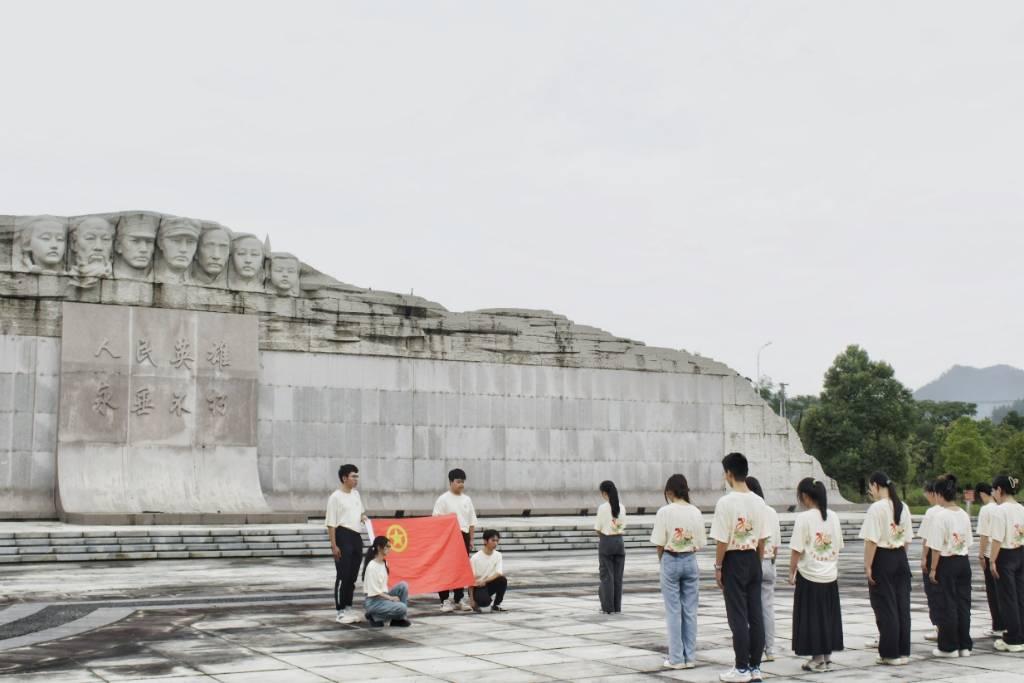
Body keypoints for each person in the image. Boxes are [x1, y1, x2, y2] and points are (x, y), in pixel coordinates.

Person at [711, 452, 769, 683]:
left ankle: (741, 667)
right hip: (754, 558)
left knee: (737, 616)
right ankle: (755, 666)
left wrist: (718, 566)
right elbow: (763, 539)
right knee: (756, 614)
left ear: (729, 473)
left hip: (734, 560)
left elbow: (722, 540)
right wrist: (758, 562)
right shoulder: (759, 501)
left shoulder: (726, 502)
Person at [650, 473, 706, 671]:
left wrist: (663, 561)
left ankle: (676, 658)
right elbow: (700, 543)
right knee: (690, 610)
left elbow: (659, 542)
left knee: (674, 611)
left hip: (670, 558)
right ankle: (690, 656)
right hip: (690, 560)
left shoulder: (664, 512)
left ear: (669, 491)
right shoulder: (696, 512)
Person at [789, 477, 844, 672]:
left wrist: (791, 571)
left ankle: (818, 659)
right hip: (829, 574)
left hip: (810, 574)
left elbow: (796, 549)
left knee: (812, 618)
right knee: (827, 616)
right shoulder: (833, 516)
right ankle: (826, 657)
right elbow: (838, 545)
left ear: (804, 496)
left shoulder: (803, 518)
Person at [859, 471, 913, 665]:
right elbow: (907, 540)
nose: (870, 491)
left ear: (876, 485)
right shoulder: (903, 506)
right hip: (899, 556)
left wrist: (868, 565)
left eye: (870, 487)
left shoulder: (877, 508)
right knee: (902, 605)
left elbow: (871, 541)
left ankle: (890, 653)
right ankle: (903, 650)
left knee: (886, 605)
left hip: (882, 557)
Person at [927, 473, 973, 657]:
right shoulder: (963, 514)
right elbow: (968, 542)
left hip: (946, 562)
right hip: (963, 561)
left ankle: (949, 646)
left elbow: (936, 547)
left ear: (939, 494)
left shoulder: (940, 516)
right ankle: (964, 645)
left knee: (947, 604)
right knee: (963, 604)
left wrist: (932, 569)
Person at [325, 464, 367, 624]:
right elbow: (331, 523)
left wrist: (364, 518)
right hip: (343, 535)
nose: (356, 479)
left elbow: (361, 513)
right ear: (344, 478)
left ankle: (348, 606)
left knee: (353, 575)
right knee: (343, 575)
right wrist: (334, 545)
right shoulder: (335, 497)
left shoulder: (356, 494)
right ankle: (340, 610)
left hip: (356, 537)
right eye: (353, 476)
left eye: (357, 476)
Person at [745, 477, 781, 663]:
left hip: (754, 562)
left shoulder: (751, 511)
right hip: (770, 562)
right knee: (767, 608)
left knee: (752, 609)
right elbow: (776, 545)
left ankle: (754, 649)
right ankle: (771, 649)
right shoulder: (772, 512)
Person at [433, 468, 478, 612]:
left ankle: (459, 598)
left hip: (463, 536)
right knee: (445, 569)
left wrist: (471, 539)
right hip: (448, 538)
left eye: (463, 482)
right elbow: (436, 520)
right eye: (458, 482)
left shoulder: (467, 499)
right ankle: (445, 600)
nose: (461, 485)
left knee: (461, 569)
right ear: (451, 482)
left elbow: (471, 522)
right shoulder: (443, 499)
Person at [989, 474, 1024, 653]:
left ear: (1000, 490)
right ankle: (1021, 634)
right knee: (1020, 595)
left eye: (994, 490)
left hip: (1005, 555)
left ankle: (1013, 637)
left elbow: (996, 538)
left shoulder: (1000, 510)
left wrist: (992, 560)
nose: (993, 493)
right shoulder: (1021, 508)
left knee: (1007, 598)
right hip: (1020, 552)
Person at [361, 536, 412, 627]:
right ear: (379, 548)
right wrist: (391, 598)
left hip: (382, 597)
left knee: (403, 585)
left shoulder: (384, 563)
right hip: (374, 601)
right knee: (402, 607)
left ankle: (399, 619)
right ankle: (374, 615)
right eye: (387, 546)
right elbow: (375, 592)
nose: (389, 549)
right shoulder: (372, 566)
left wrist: (389, 597)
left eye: (390, 546)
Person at [976, 482, 1004, 637]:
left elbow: (984, 535)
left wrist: (981, 554)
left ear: (981, 494)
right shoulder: (1000, 508)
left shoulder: (985, 510)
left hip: (989, 553)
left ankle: (998, 625)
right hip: (1002, 552)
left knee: (992, 592)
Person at [595, 480, 626, 615]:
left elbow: (598, 529)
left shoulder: (603, 508)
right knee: (618, 577)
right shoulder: (622, 507)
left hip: (607, 541)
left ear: (604, 493)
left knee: (607, 576)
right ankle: (616, 606)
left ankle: (608, 607)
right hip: (619, 541)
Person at [917, 481, 942, 642]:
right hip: (950, 556)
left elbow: (926, 538)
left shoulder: (932, 512)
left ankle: (939, 626)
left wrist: (924, 557)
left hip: (934, 553)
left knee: (934, 593)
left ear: (932, 493)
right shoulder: (953, 510)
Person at [470, 529, 508, 612]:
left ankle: (497, 604)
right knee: (484, 603)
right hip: (478, 586)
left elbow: (499, 573)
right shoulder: (475, 558)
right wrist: (472, 600)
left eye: (497, 541)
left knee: (502, 580)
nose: (495, 543)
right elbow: (470, 580)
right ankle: (481, 599)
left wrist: (485, 580)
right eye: (493, 540)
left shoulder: (498, 555)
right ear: (485, 541)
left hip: (488, 583)